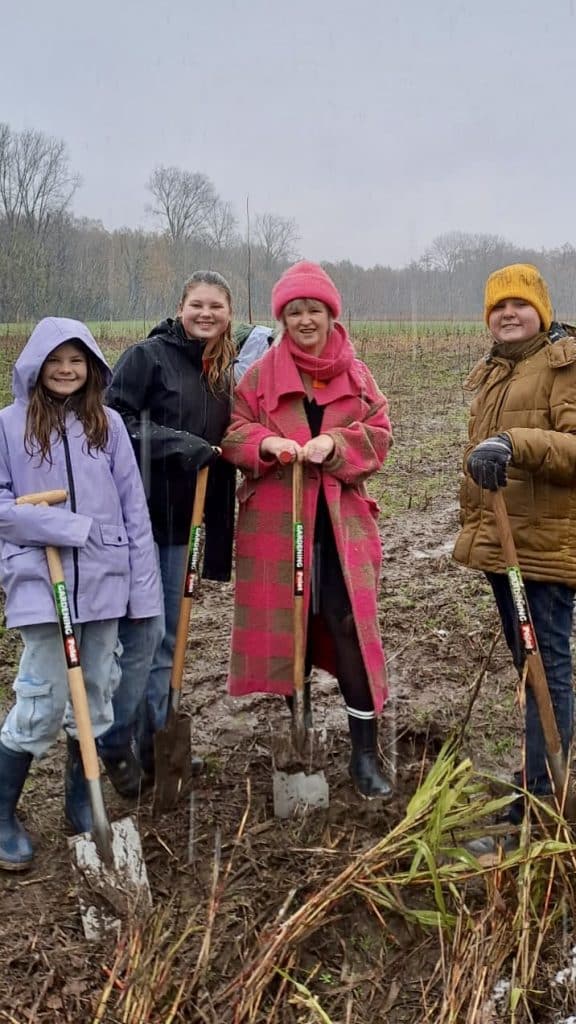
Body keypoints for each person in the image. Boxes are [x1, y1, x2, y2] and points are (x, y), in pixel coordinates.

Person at [222, 260, 393, 799]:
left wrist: (336, 446)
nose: (303, 320)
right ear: (283, 317)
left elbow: (380, 435)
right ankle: (301, 737)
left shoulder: (356, 374)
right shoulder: (260, 375)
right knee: (289, 625)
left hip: (339, 526)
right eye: (293, 311)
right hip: (280, 521)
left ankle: (365, 754)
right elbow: (233, 432)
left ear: (329, 313)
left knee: (348, 627)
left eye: (313, 310)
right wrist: (266, 445)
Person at [0, 317, 161, 870]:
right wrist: (62, 527)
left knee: (94, 692)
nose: (66, 370)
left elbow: (134, 512)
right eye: (55, 361)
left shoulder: (108, 424)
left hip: (104, 581)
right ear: (35, 366)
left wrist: (144, 597)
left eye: (77, 361)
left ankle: (79, 800)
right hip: (42, 585)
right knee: (43, 697)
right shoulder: (8, 426)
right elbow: (2, 508)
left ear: (92, 367)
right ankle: (2, 812)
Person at [453, 263, 576, 851]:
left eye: (519, 305)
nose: (508, 313)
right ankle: (537, 779)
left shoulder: (564, 363)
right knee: (529, 668)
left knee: (545, 670)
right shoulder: (499, 370)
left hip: (545, 547)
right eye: (498, 306)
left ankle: (541, 807)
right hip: (507, 543)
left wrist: (513, 443)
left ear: (541, 311)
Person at [98, 271, 237, 793]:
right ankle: (116, 744)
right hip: (141, 520)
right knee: (146, 635)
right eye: (197, 304)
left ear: (229, 313)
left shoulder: (221, 372)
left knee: (170, 638)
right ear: (181, 307)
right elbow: (112, 421)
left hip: (189, 526)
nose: (206, 314)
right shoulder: (147, 357)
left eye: (216, 307)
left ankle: (156, 742)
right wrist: (177, 444)